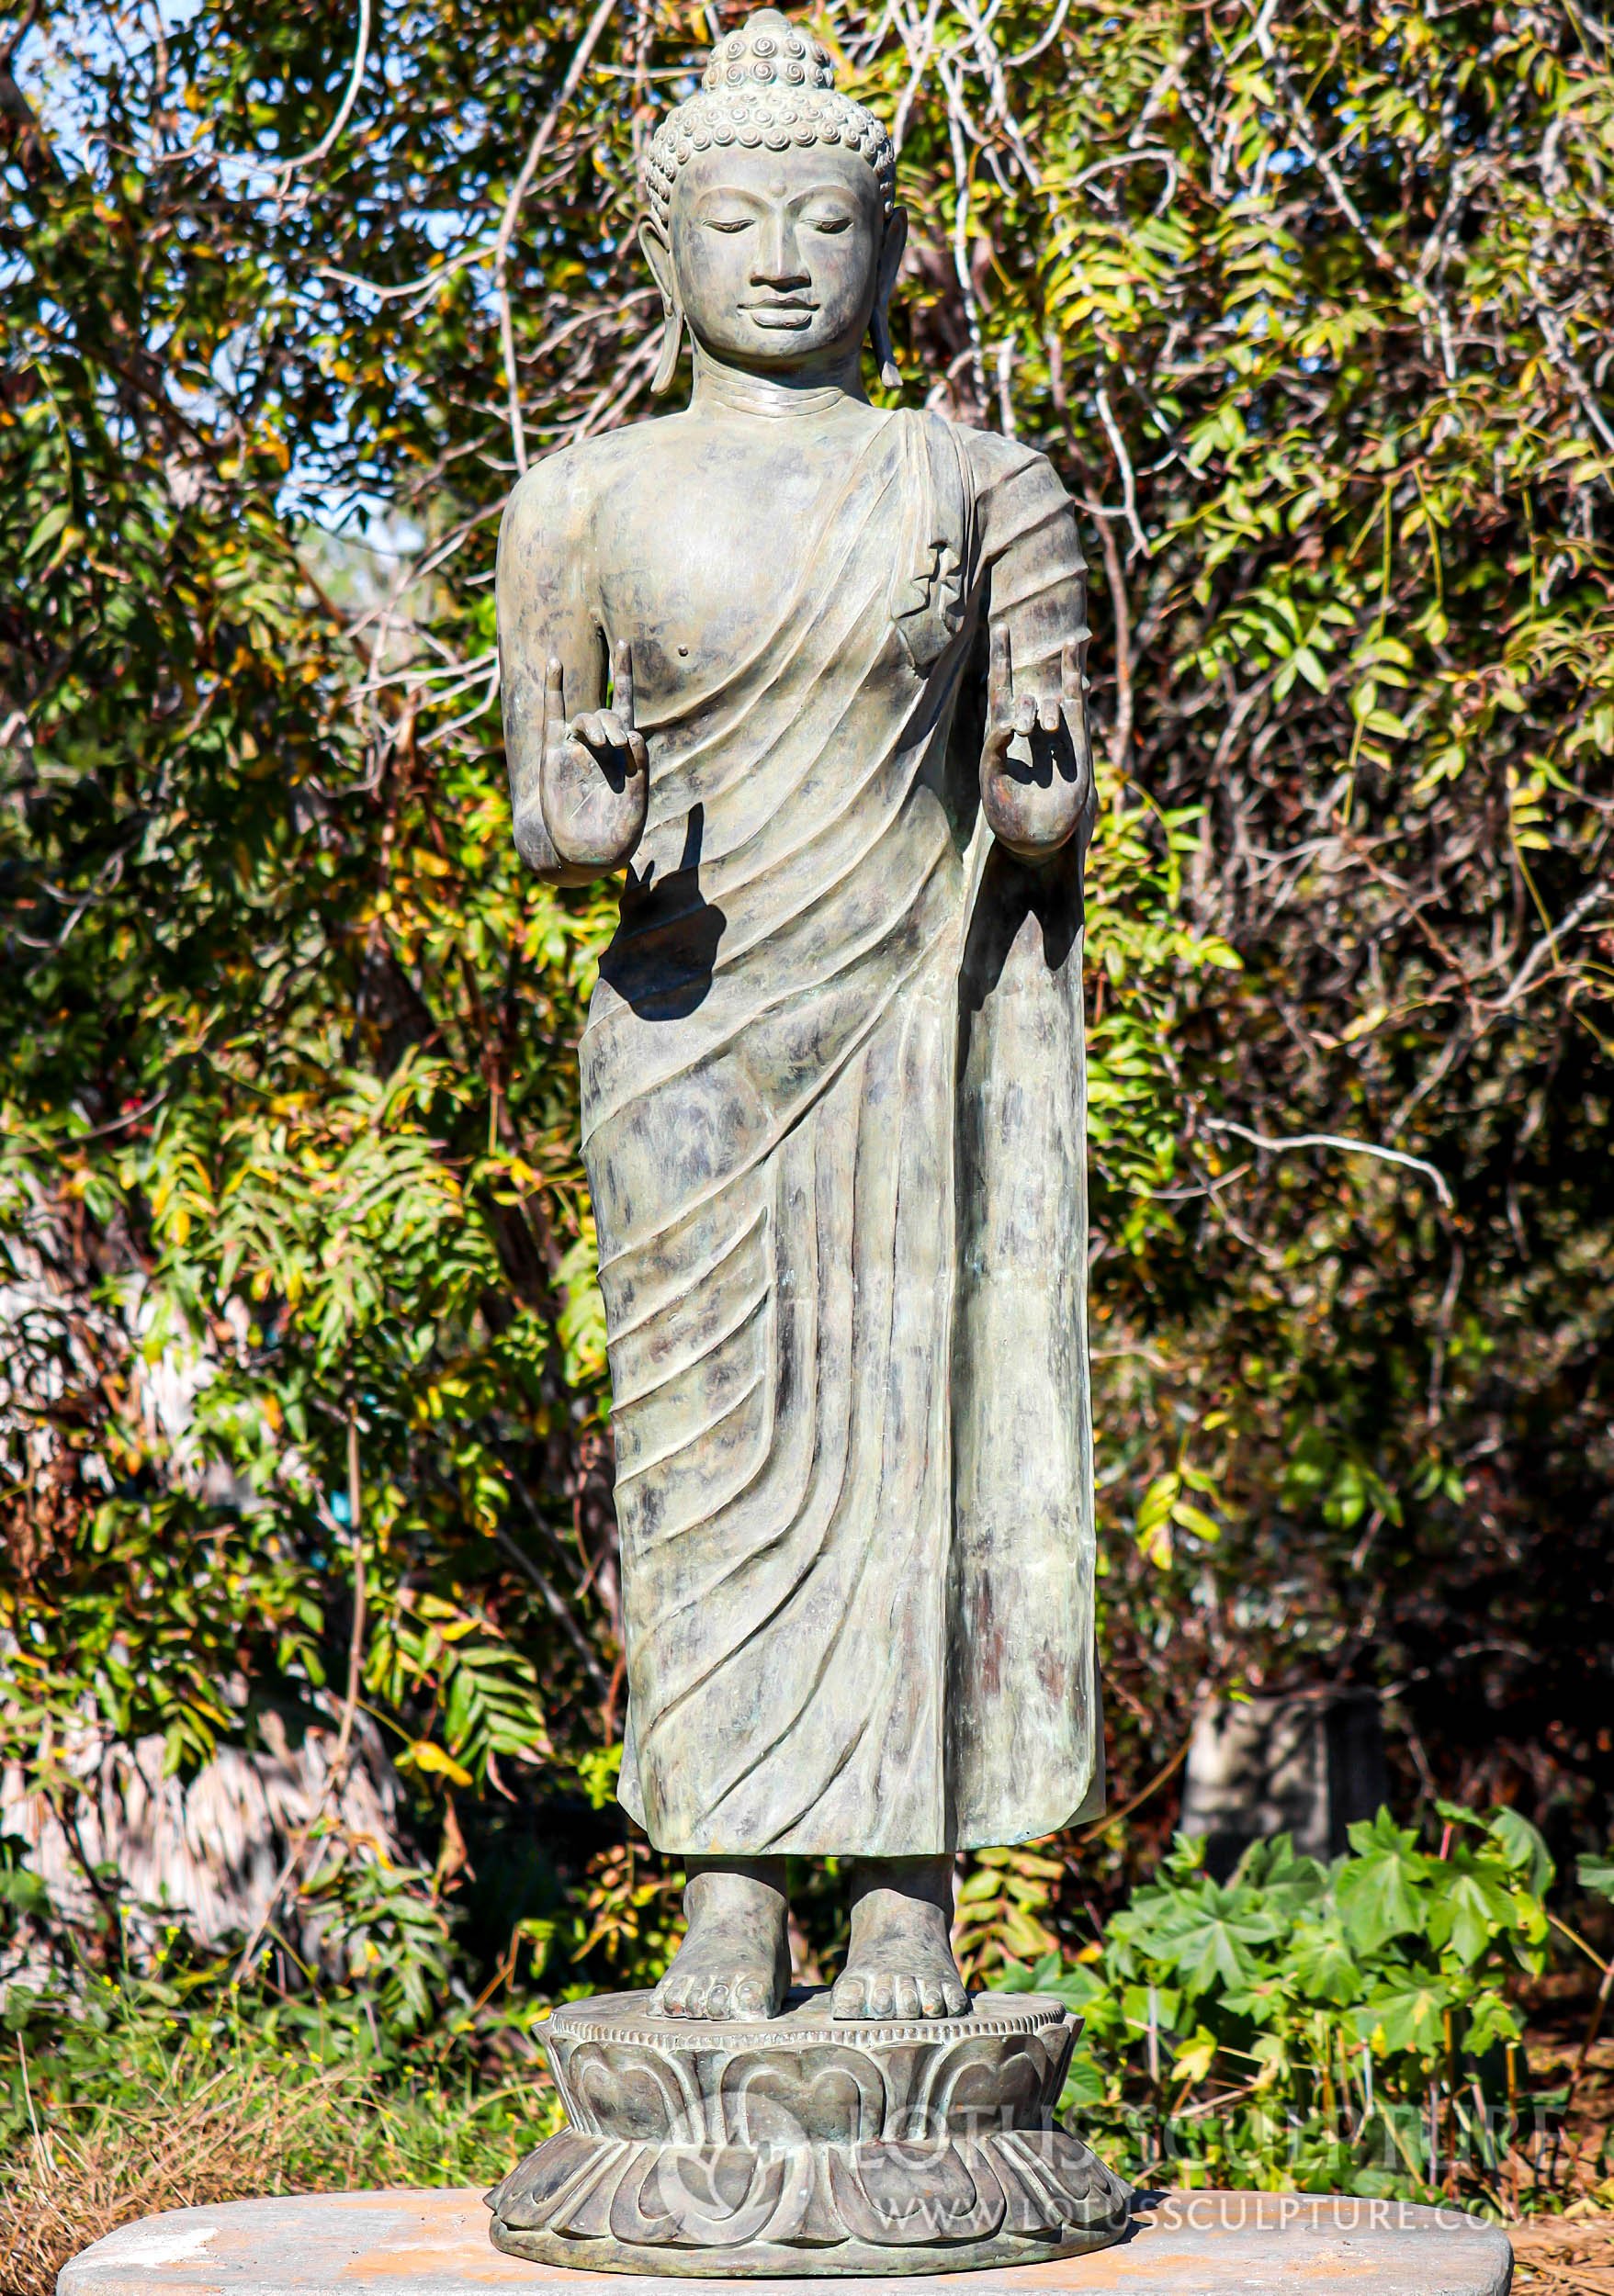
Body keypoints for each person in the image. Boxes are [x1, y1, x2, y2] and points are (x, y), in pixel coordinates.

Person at [497, 6, 1100, 2025]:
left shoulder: (982, 482)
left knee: (906, 1436)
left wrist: (1040, 784)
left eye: (823, 218)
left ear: (889, 245)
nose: (779, 257)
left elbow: (1042, 786)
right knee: (700, 1460)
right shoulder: (576, 504)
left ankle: (910, 1891)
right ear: (667, 249)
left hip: (904, 1019)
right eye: (736, 219)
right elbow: (548, 809)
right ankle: (733, 1886)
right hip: (683, 1039)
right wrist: (588, 815)